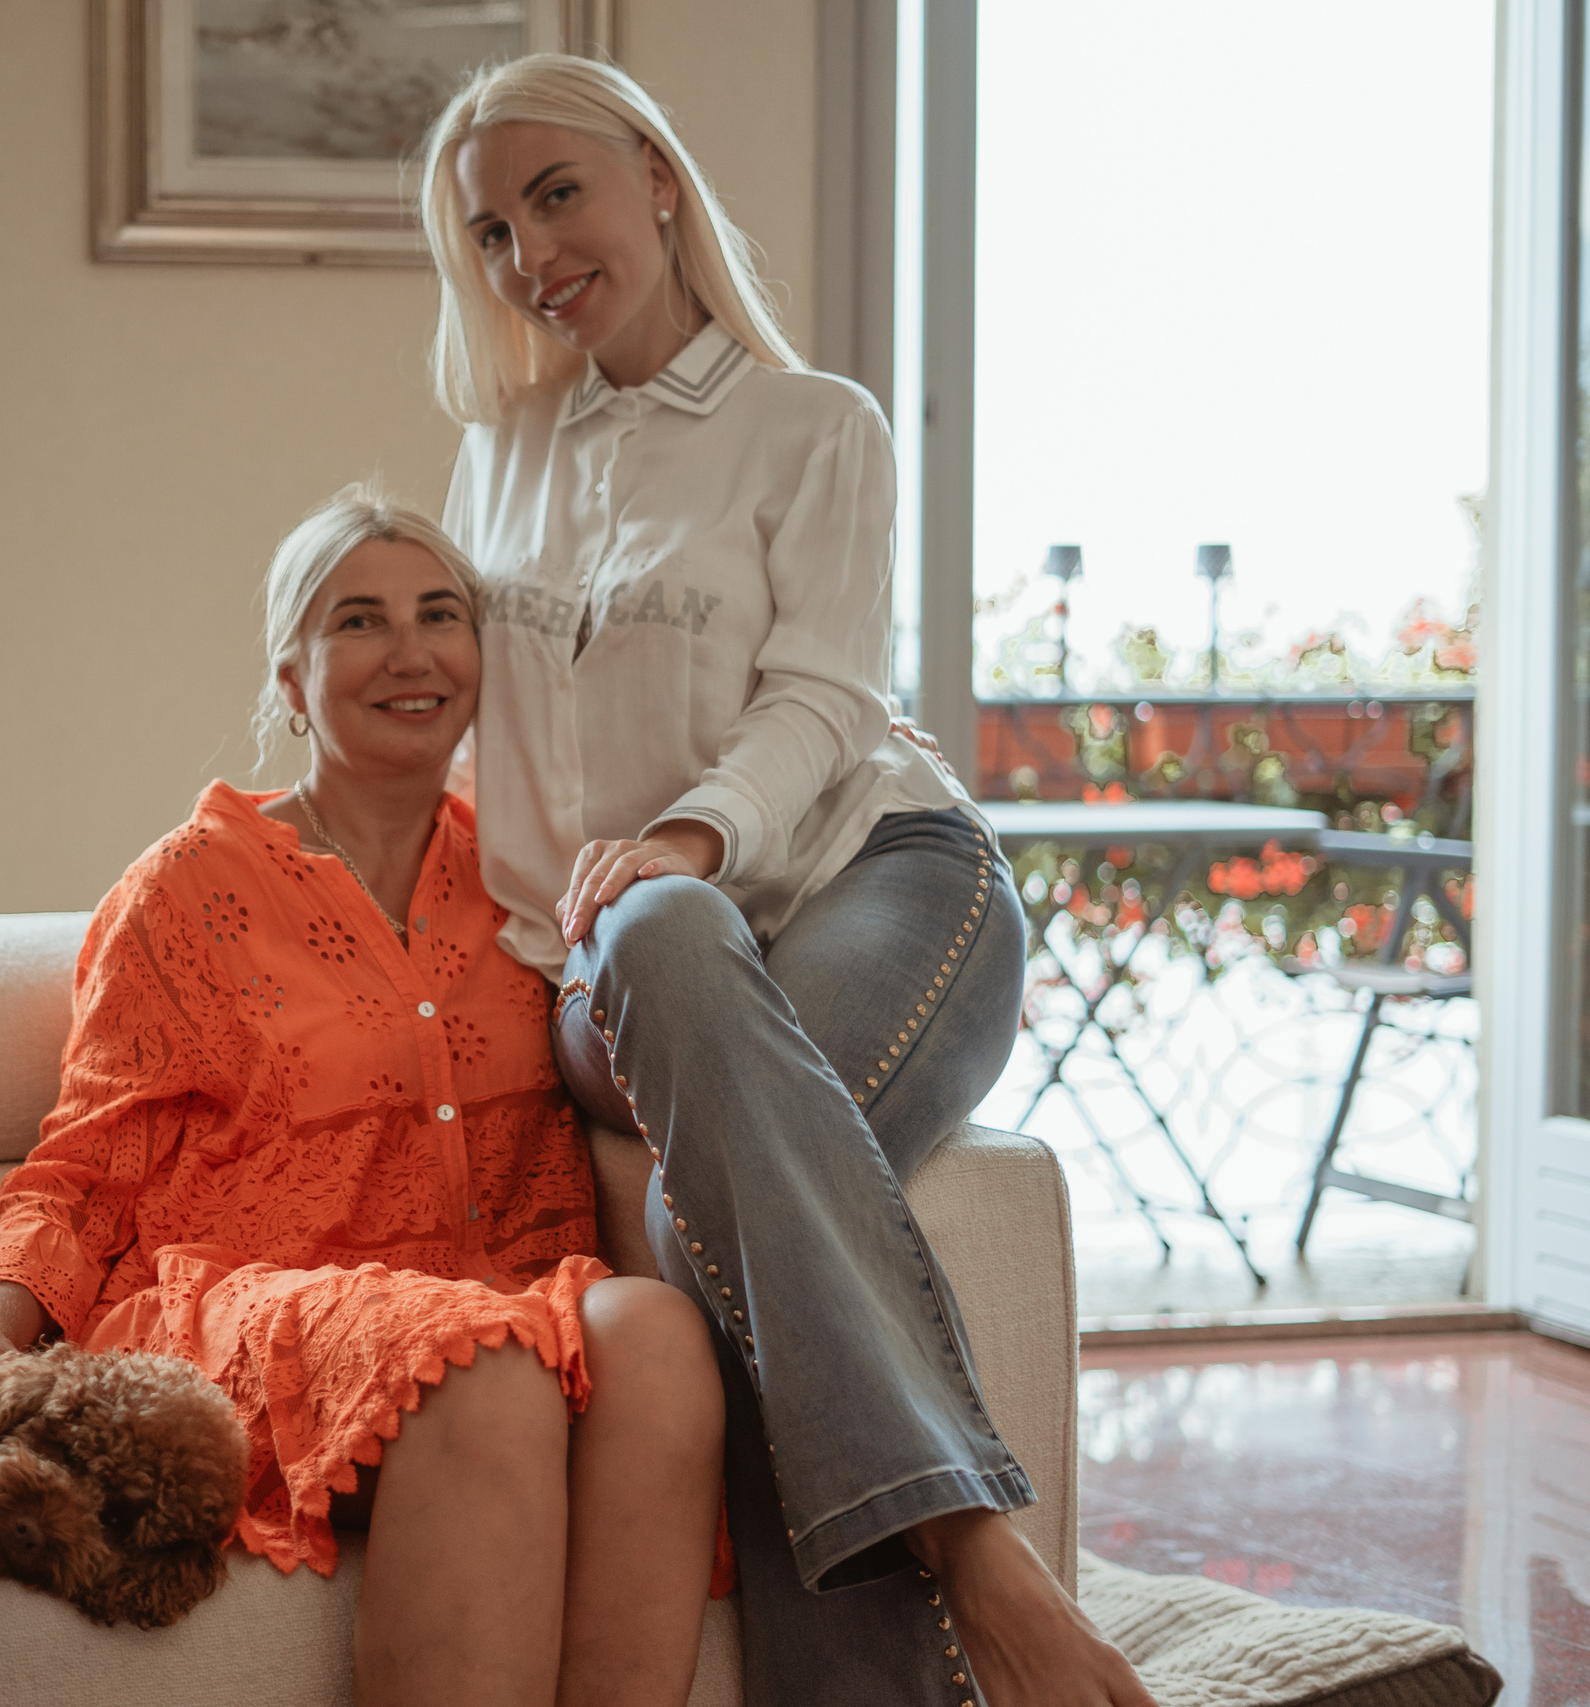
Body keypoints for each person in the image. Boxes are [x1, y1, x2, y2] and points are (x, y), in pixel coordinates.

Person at [419, 55, 1156, 1707]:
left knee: (708, 1225)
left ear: (658, 182)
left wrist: (684, 833)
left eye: (556, 196)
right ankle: (980, 1550)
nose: (528, 252)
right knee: (659, 934)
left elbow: (824, 700)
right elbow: (472, 745)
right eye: (487, 229)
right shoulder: (499, 457)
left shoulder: (815, 425)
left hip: (873, 877)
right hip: (624, 962)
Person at [0, 486, 726, 1707]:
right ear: (290, 676)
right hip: (257, 1307)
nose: (410, 652)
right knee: (484, 1369)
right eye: (358, 622)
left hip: (508, 1296)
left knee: (664, 1337)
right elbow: (85, 1162)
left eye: (440, 614)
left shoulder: (535, 876)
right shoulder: (186, 890)